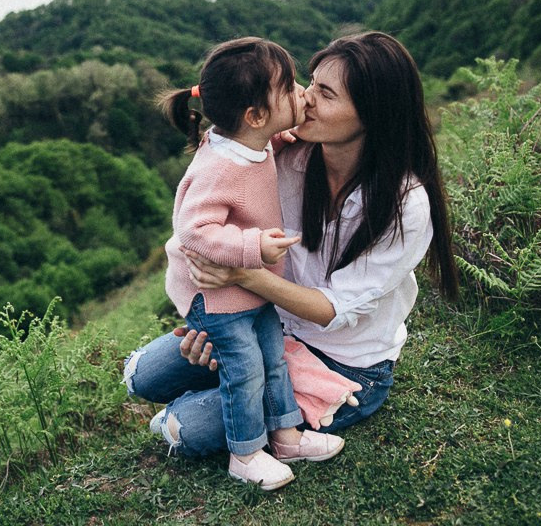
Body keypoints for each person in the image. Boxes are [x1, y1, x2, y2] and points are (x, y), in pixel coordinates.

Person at [124, 31, 459, 461]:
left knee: (181, 428)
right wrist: (215, 324)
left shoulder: (405, 204)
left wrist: (245, 275)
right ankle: (234, 372)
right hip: (266, 324)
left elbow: (331, 309)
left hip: (341, 361)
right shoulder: (284, 156)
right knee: (143, 376)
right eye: (308, 82)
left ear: (372, 112)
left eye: (325, 92)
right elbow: (206, 220)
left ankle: (233, 389)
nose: (305, 97)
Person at [153, 36, 351, 491]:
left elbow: (266, 149)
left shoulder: (251, 141)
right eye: (292, 88)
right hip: (218, 296)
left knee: (274, 358)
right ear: (256, 116)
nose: (303, 94)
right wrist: (253, 246)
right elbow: (194, 231)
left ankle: (285, 436)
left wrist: (282, 134)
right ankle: (245, 454)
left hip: (249, 290)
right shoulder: (218, 167)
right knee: (246, 371)